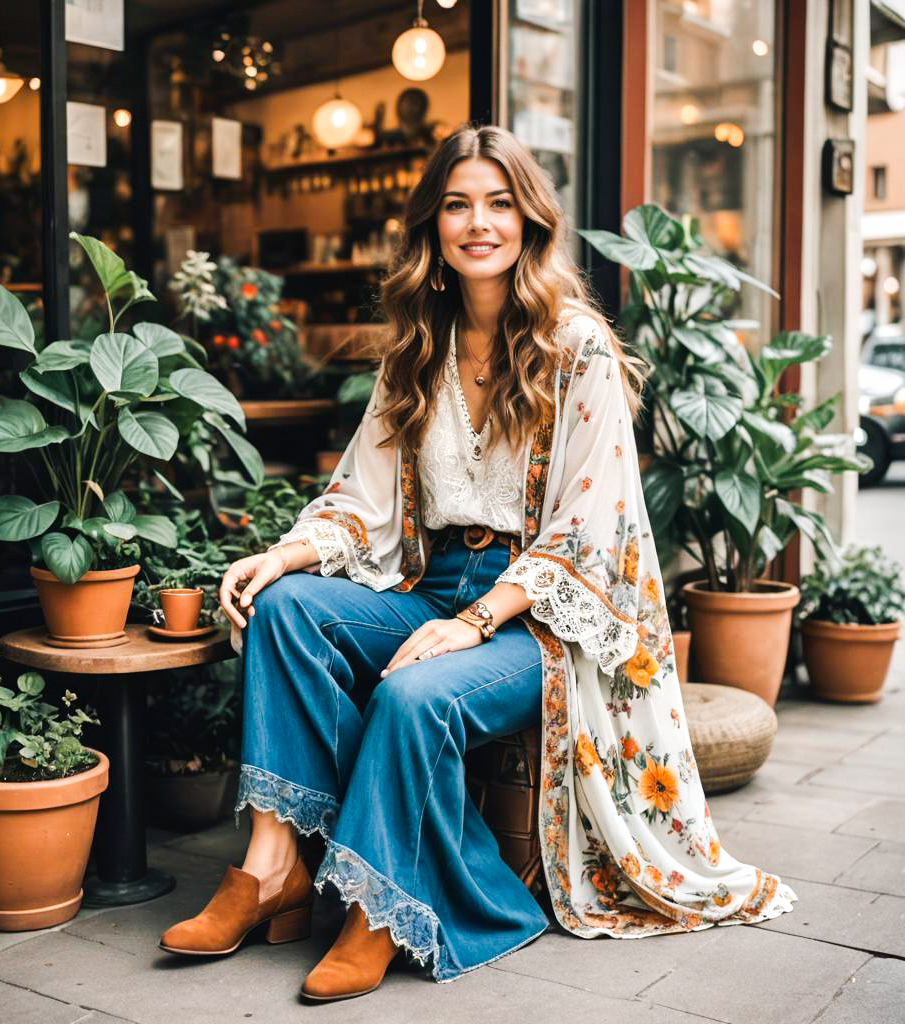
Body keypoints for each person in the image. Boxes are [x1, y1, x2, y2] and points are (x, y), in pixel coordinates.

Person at [158, 124, 797, 1001]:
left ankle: (382, 911)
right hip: (433, 586)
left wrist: (474, 621)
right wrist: (283, 553)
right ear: (434, 226)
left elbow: (588, 529)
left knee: (412, 693)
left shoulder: (579, 348)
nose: (478, 222)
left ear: (530, 220)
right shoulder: (418, 345)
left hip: (534, 620)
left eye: (499, 203)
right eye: (457, 204)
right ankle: (272, 868)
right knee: (286, 610)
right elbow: (364, 496)